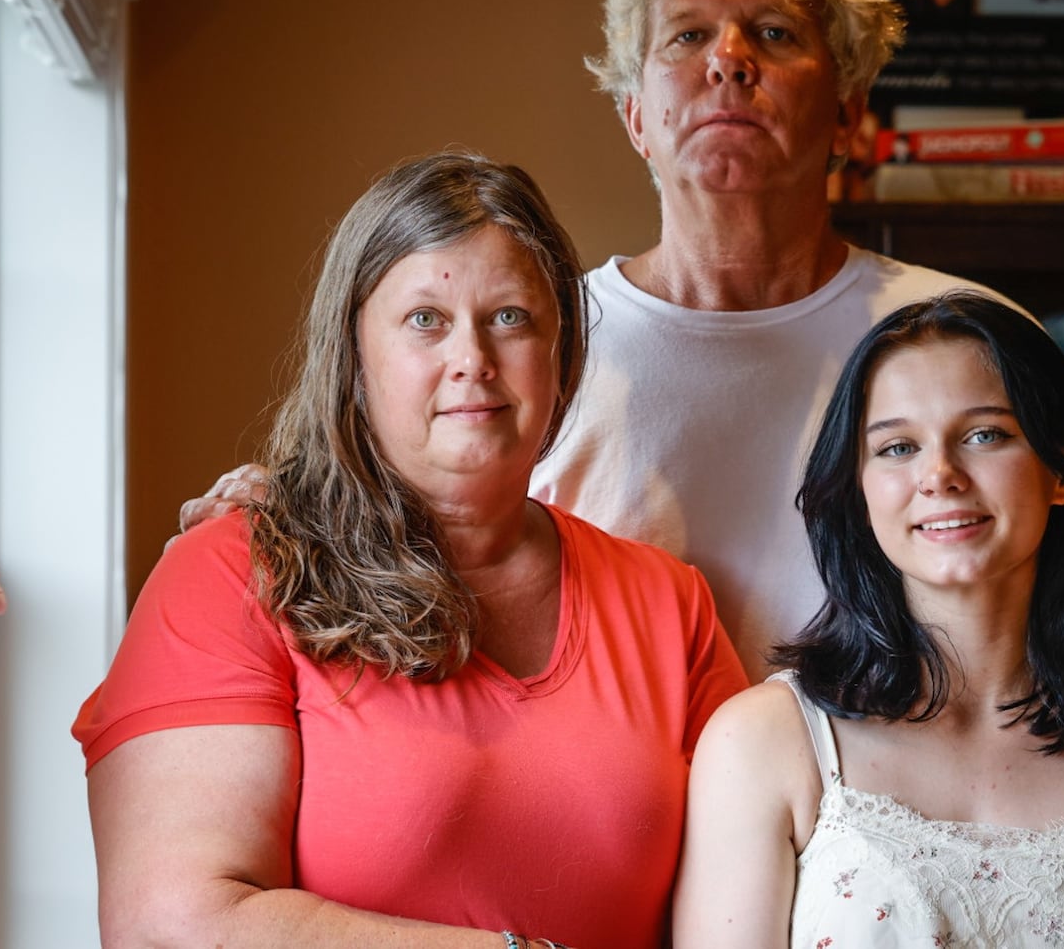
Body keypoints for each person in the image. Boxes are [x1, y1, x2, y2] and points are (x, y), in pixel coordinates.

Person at [179, 0, 1064, 738]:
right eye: (688, 36)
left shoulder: (960, 336)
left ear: (850, 110)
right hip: (627, 844)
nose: (727, 61)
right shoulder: (532, 349)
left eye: (771, 32)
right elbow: (413, 536)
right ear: (635, 114)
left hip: (915, 846)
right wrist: (289, 504)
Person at [73, 151, 749, 948]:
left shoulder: (668, 603)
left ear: (561, 358)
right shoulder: (230, 575)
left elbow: (760, 884)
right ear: (356, 361)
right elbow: (172, 923)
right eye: (426, 320)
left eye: (510, 317)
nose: (473, 359)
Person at [672, 291, 1064, 947]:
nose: (938, 474)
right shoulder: (764, 745)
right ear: (857, 490)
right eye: (896, 447)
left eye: (984, 435)